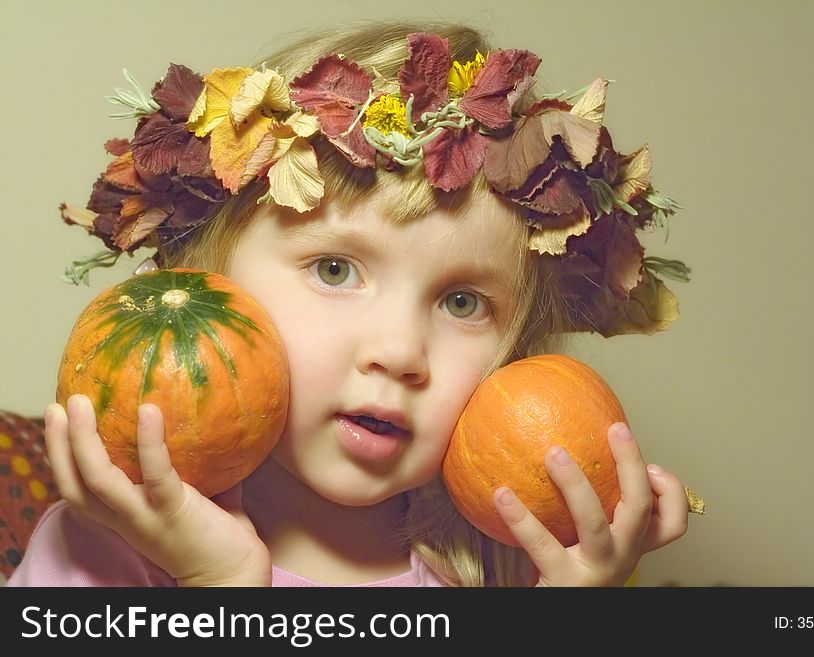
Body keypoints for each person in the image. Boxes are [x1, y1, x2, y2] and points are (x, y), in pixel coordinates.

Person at [9, 20, 693, 587]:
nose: (398, 352)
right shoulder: (111, 545)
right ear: (202, 274)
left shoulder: (505, 568)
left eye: (461, 302)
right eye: (334, 269)